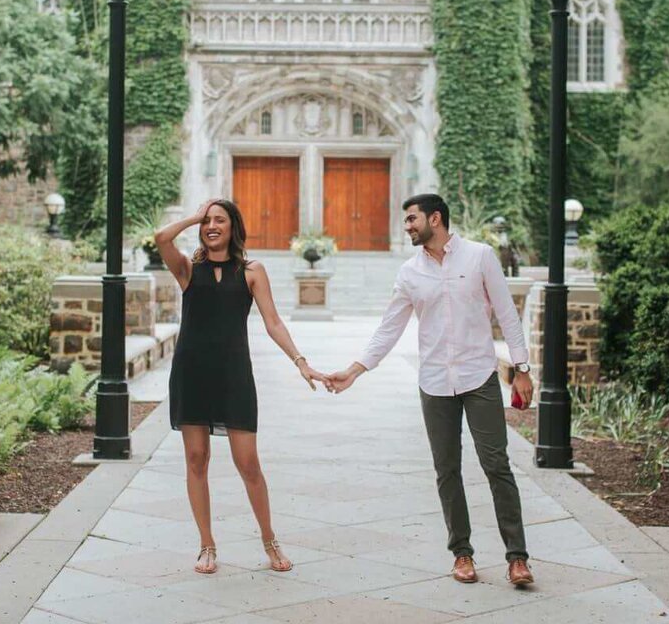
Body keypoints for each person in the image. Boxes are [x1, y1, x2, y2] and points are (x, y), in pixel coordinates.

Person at [323, 193, 536, 586]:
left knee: (497, 466)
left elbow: (507, 313)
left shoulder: (480, 257)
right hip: (435, 382)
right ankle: (462, 554)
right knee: (447, 471)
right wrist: (355, 370)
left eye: (411, 219)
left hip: (479, 377)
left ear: (435, 219)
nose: (406, 226)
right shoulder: (409, 273)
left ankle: (517, 558)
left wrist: (521, 368)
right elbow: (390, 327)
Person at [155, 198, 325, 575]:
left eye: (219, 220)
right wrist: (194, 216)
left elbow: (274, 322)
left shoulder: (251, 271)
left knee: (248, 463)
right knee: (196, 459)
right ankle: (207, 545)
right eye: (207, 221)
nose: (211, 226)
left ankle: (270, 539)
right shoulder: (187, 269)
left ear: (234, 227)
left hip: (234, 375)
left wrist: (300, 361)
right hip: (192, 372)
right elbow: (161, 238)